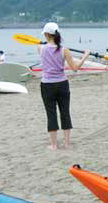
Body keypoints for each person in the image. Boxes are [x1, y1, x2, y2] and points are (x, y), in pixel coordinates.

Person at [38, 22, 90, 150]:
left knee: (51, 113)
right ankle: (67, 143)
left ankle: (54, 145)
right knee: (65, 112)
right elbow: (75, 68)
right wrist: (85, 56)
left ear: (46, 34)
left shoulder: (40, 48)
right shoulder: (64, 50)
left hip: (47, 85)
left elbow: (43, 46)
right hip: (62, 84)